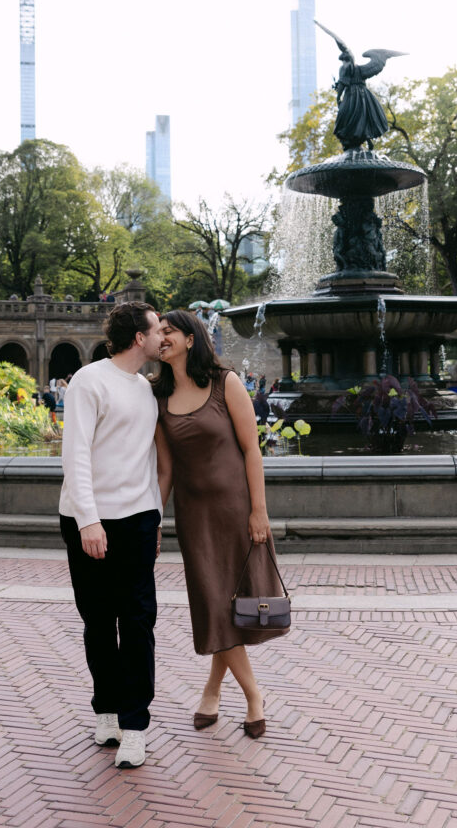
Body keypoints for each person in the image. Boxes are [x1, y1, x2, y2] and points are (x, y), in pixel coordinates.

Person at [153, 309, 288, 740]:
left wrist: (259, 510)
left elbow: (252, 450)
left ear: (191, 339)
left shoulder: (225, 382)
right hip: (194, 518)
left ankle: (239, 695)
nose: (162, 338)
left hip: (236, 510)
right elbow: (165, 471)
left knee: (230, 604)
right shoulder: (159, 398)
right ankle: (239, 693)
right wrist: (154, 520)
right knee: (215, 605)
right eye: (160, 333)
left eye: (169, 331)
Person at [59, 301, 164, 769]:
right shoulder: (90, 380)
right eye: (158, 328)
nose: (164, 335)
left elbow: (147, 460)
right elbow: (75, 454)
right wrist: (88, 520)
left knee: (139, 620)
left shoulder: (146, 388)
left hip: (138, 519)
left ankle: (136, 724)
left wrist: (157, 517)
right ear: (138, 337)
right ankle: (105, 710)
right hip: (91, 519)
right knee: (99, 620)